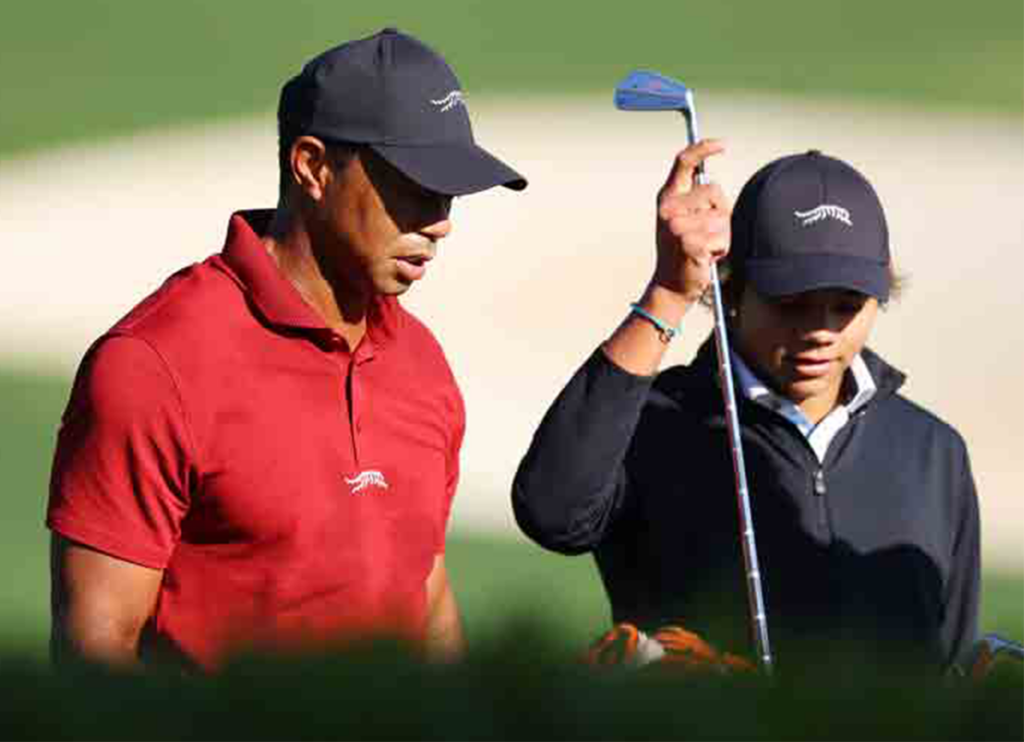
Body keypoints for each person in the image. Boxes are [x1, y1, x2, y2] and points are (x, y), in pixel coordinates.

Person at [47, 27, 526, 673]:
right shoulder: (155, 364)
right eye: (413, 185)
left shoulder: (420, 360)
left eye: (448, 194)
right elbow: (95, 649)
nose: (439, 221)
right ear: (312, 166)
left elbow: (427, 594)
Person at [512, 141, 980, 674]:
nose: (821, 332)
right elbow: (551, 512)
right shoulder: (656, 422)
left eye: (847, 306)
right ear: (732, 290)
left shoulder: (933, 453)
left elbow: (951, 666)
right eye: (791, 304)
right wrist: (667, 293)